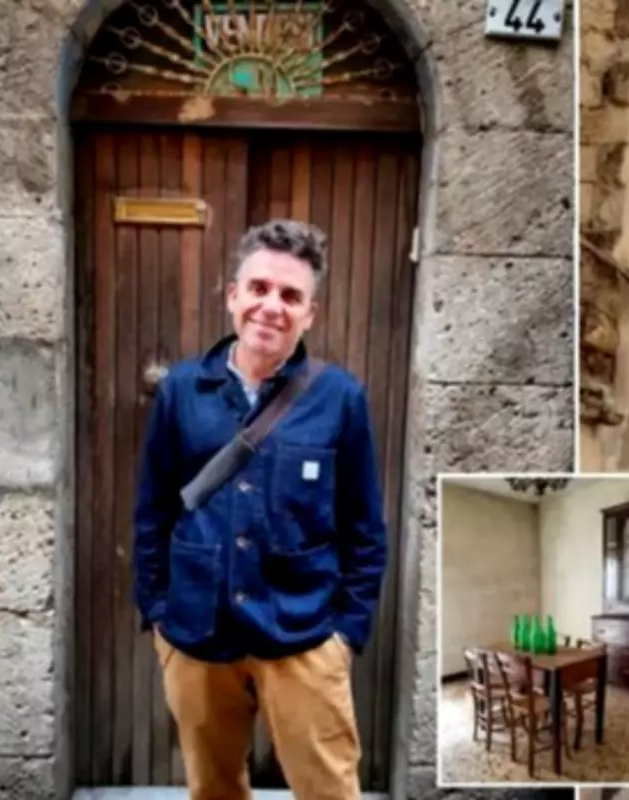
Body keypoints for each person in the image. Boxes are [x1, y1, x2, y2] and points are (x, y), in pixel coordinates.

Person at [133, 219, 388, 800]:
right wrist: (158, 612)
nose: (272, 306)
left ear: (310, 314)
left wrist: (346, 632)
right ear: (233, 296)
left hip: (304, 634)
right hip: (196, 634)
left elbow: (365, 527)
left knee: (329, 791)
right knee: (213, 790)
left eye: (291, 295)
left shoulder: (340, 398)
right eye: (259, 288)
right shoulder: (180, 392)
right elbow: (153, 510)